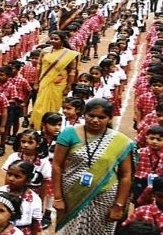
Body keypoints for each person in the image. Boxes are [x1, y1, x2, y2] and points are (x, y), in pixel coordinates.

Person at [52, 98, 135, 234]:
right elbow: (57, 165)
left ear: (109, 118)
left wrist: (119, 205)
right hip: (71, 194)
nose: (95, 120)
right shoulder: (69, 134)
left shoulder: (121, 141)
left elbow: (126, 175)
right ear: (84, 114)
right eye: (91, 115)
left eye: (101, 117)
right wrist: (58, 198)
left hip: (104, 196)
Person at [31, 32, 80, 129]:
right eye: (52, 39)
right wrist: (36, 82)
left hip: (59, 84)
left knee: (56, 105)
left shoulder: (69, 54)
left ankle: (54, 127)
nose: (53, 41)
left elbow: (72, 71)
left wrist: (69, 86)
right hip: (44, 82)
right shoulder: (44, 51)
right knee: (39, 107)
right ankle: (39, 127)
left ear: (63, 40)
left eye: (56, 39)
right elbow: (39, 68)